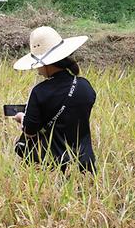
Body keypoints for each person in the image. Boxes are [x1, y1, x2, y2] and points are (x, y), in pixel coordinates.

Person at [12, 26, 96, 173]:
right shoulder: (85, 86)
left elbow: (30, 131)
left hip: (50, 166)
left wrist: (22, 117)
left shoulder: (39, 92)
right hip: (85, 163)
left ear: (46, 64)